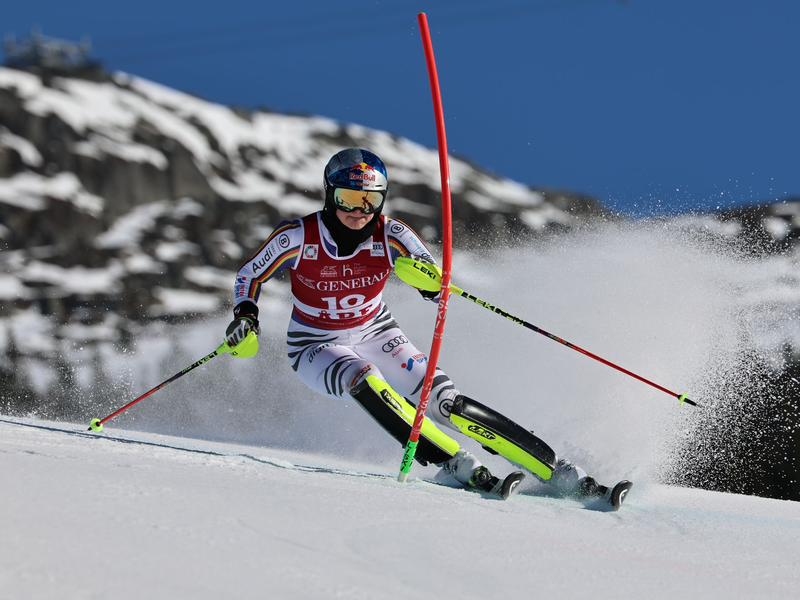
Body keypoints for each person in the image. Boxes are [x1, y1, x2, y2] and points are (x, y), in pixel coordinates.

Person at [225, 148, 628, 505]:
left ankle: (559, 472)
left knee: (446, 402)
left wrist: (429, 282)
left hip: (377, 331)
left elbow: (434, 279)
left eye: (370, 200)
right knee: (362, 377)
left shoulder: (392, 234)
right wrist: (246, 316)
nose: (358, 211)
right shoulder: (298, 236)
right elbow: (250, 274)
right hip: (315, 344)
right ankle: (453, 462)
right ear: (329, 195)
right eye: (348, 198)